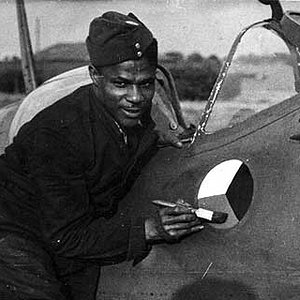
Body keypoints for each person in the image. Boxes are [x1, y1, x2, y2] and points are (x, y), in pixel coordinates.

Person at [0, 12, 203, 300]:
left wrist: (158, 137)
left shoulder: (137, 117)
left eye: (146, 84)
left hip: (63, 223)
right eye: (120, 84)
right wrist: (150, 229)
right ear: (95, 76)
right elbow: (66, 236)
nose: (135, 97)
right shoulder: (57, 133)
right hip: (14, 227)